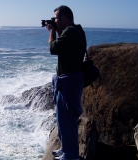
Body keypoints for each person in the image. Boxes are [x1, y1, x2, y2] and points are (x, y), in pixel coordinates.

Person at [45, 5, 85, 160]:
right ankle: (66, 149)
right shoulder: (76, 30)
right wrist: (57, 30)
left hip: (69, 81)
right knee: (62, 118)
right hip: (70, 80)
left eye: (56, 18)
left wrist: (52, 32)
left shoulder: (70, 32)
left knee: (67, 119)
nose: (54, 20)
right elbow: (65, 46)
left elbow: (53, 48)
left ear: (64, 18)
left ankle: (70, 155)